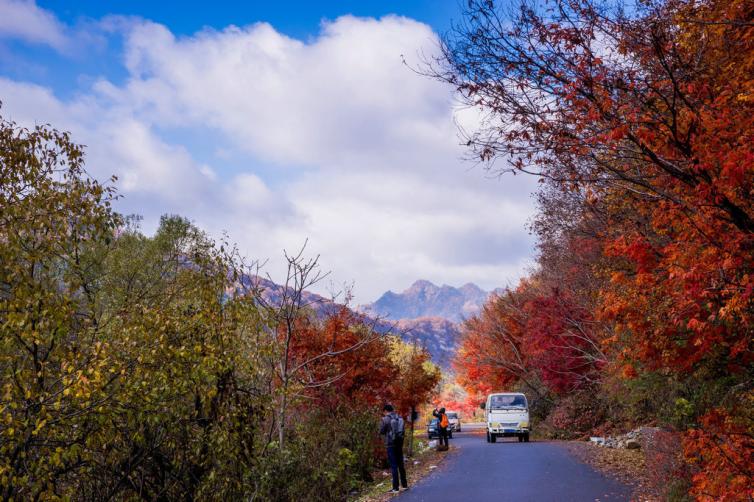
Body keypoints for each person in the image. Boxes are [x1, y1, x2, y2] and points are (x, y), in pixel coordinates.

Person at [380, 404, 408, 493]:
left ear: (385, 411)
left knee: (393, 466)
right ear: (392, 409)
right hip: (399, 444)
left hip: (390, 444)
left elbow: (381, 431)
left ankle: (395, 488)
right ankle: (404, 485)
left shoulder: (385, 419)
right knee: (401, 464)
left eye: (383, 412)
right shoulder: (399, 417)